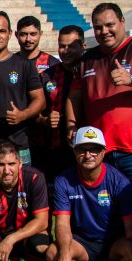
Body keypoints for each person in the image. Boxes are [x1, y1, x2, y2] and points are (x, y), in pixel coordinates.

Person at [66, 2, 132, 208]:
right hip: (100, 150)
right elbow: (74, 98)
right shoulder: (87, 60)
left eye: (110, 25)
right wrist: (71, 125)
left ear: (122, 22)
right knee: (111, 215)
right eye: (98, 27)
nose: (104, 31)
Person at [46, 126, 132, 261]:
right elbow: (62, 224)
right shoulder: (63, 181)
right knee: (53, 253)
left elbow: (131, 228)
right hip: (83, 243)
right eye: (82, 150)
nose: (88, 155)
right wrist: (64, 252)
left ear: (103, 152)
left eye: (94, 149)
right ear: (75, 152)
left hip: (113, 243)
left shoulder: (120, 181)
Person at [0, 11, 45, 182]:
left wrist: (23, 115)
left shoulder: (24, 65)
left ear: (10, 34)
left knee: (21, 200)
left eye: (2, 31)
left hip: (17, 148)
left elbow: (39, 99)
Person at [33, 25, 84, 181]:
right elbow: (32, 111)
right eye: (62, 46)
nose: (65, 50)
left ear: (83, 46)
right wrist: (44, 120)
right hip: (54, 150)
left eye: (71, 46)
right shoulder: (47, 76)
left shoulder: (91, 71)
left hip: (86, 148)